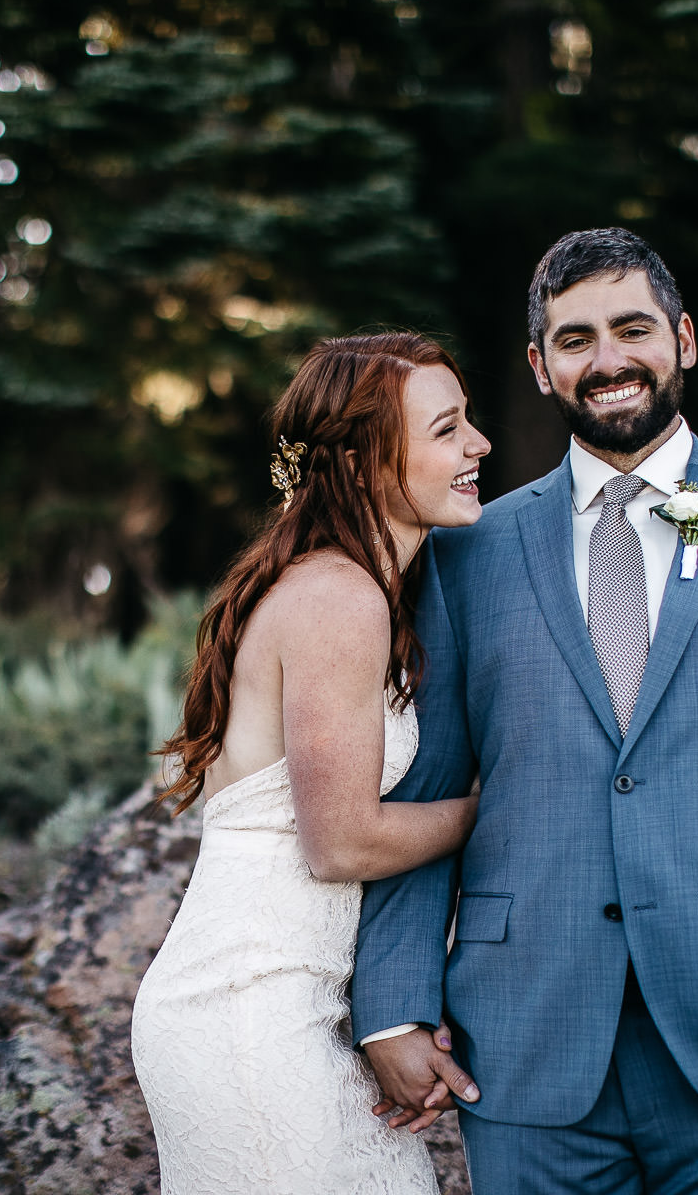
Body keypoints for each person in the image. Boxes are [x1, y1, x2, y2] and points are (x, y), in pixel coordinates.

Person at [352, 228, 698, 1194]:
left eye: (633, 329)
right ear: (540, 366)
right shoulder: (465, 553)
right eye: (575, 340)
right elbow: (426, 782)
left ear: (684, 340)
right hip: (525, 1046)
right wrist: (395, 1006)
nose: (608, 360)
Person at [132, 332, 493, 1193]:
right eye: (447, 430)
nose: (479, 444)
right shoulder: (339, 597)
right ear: (367, 464)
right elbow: (342, 842)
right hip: (250, 1011)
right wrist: (503, 805)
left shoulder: (347, 586)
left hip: (286, 1005)